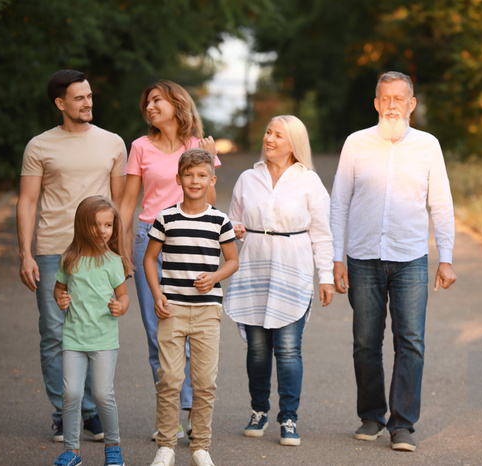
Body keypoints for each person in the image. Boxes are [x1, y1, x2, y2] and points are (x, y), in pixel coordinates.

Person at [330, 71, 457, 452]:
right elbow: (339, 202)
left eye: (398, 98)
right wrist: (335, 257)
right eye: (384, 98)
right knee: (365, 342)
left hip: (411, 258)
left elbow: (441, 204)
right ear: (375, 103)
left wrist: (446, 258)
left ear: (411, 104)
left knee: (411, 342)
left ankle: (403, 424)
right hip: (363, 257)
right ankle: (372, 416)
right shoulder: (356, 144)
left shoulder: (428, 146)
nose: (391, 105)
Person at [16, 69, 127, 441]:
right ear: (60, 104)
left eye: (90, 96)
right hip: (52, 249)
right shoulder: (39, 146)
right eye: (79, 98)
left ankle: (91, 412)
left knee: (95, 329)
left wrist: (120, 252)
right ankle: (65, 414)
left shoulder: (113, 143)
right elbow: (28, 201)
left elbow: (120, 204)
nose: (88, 102)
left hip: (97, 252)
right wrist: (24, 254)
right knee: (54, 332)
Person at [224, 115, 335, 447]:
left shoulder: (309, 181)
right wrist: (235, 231)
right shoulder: (247, 178)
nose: (269, 139)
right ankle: (259, 410)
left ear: (293, 144)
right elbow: (230, 223)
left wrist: (326, 277)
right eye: (268, 132)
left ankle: (288, 418)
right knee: (258, 349)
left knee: (288, 349)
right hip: (254, 266)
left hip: (293, 267)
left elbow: (322, 234)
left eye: (278, 135)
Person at [119, 80, 221, 439]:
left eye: (156, 100)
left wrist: (210, 160)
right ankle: (171, 416)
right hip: (151, 242)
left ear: (177, 103)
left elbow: (210, 197)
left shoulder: (199, 145)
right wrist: (122, 249)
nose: (149, 107)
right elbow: (129, 203)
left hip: (192, 242)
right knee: (158, 332)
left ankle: (194, 412)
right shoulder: (140, 147)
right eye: (147, 102)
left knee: (193, 331)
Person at [144, 149, 238, 466]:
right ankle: (166, 445)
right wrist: (157, 294)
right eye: (189, 175)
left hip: (207, 312)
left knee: (204, 381)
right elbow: (148, 258)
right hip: (172, 309)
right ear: (178, 179)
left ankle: (200, 445)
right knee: (169, 378)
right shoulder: (166, 218)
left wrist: (213, 277)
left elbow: (232, 261)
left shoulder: (219, 221)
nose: (195, 181)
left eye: (201, 176)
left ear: (211, 180)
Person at [52, 196, 133, 466]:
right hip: (74, 339)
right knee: (72, 394)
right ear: (82, 225)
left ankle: (113, 447)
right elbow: (59, 289)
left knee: (101, 394)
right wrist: (60, 299)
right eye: (96, 225)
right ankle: (72, 450)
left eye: (108, 225)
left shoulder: (113, 261)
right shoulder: (69, 259)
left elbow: (124, 297)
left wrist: (120, 307)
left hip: (104, 340)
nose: (102, 231)